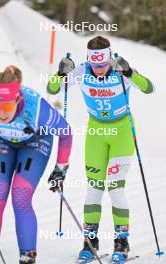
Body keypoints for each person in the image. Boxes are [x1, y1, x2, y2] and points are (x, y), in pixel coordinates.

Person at [47, 36, 154, 262]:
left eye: (103, 66)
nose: (100, 71)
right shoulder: (83, 71)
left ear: (109, 59)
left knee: (116, 189)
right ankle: (90, 241)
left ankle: (121, 243)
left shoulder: (119, 69)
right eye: (95, 66)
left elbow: (149, 88)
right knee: (94, 189)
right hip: (96, 134)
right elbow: (53, 88)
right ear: (89, 61)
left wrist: (130, 73)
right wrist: (60, 73)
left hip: (121, 134)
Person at [0, 66, 72, 264]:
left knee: (20, 196)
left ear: (18, 100)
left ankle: (28, 258)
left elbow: (66, 133)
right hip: (0, 140)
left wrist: (61, 168)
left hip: (35, 141)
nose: (1, 114)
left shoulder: (36, 108)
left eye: (7, 108)